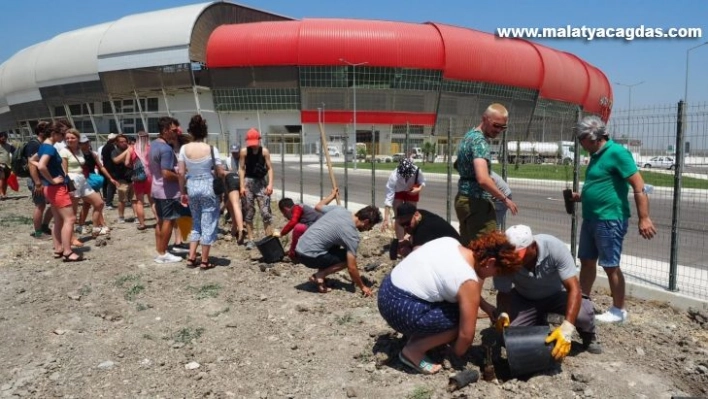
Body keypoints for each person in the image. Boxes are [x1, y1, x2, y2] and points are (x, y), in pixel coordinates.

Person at [377, 232, 522, 374]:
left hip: (387, 290)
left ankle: (421, 335)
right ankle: (414, 350)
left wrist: (485, 305)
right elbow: (466, 335)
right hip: (400, 310)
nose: (494, 276)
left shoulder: (450, 242)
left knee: (457, 307)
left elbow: (455, 285)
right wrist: (455, 354)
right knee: (459, 320)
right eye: (496, 272)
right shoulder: (467, 281)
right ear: (490, 262)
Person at [571, 116, 656, 323]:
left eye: (581, 139)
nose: (580, 144)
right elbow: (603, 184)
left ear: (592, 137)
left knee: (610, 265)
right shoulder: (596, 155)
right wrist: (582, 197)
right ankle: (583, 302)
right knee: (587, 261)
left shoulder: (617, 153)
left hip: (610, 219)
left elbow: (638, 186)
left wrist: (644, 218)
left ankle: (619, 310)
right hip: (592, 218)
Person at [494, 225, 602, 361]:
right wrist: (503, 313)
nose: (515, 260)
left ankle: (588, 336)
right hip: (525, 298)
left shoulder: (554, 248)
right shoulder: (505, 260)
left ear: (532, 246)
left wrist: (567, 329)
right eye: (512, 256)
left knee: (583, 314)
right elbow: (503, 292)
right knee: (510, 338)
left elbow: (574, 288)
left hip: (556, 295)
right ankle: (539, 322)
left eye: (519, 255)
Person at [295, 188, 382, 296]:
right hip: (308, 256)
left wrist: (331, 196)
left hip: (299, 248)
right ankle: (320, 275)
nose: (369, 229)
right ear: (366, 222)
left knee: (334, 246)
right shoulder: (352, 235)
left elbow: (318, 207)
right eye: (370, 226)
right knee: (346, 258)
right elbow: (351, 267)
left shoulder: (340, 210)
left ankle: (320, 283)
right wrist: (362, 287)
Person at [455, 103, 518, 244]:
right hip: (476, 202)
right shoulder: (480, 142)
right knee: (488, 249)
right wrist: (504, 199)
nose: (499, 130)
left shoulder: (469, 136)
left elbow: (458, 165)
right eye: (496, 125)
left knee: (469, 247)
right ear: (484, 119)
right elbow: (483, 179)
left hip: (463, 199)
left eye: (503, 127)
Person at [31, 121, 84, 262]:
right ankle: (67, 251)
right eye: (63, 134)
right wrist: (53, 179)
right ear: (54, 133)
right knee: (70, 219)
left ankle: (58, 248)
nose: (64, 137)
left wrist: (47, 178)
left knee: (58, 219)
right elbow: (41, 165)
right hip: (56, 188)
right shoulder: (50, 148)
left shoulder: (44, 146)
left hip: (50, 188)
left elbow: (32, 160)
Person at [177, 115, 225, 269]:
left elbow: (180, 172)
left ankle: (191, 257)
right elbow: (219, 171)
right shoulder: (211, 149)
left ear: (190, 132)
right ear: (205, 132)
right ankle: (204, 260)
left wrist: (182, 191)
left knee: (196, 223)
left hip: (192, 186)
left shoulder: (184, 149)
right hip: (208, 186)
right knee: (208, 223)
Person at [59, 130, 108, 238]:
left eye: (72, 138)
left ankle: (95, 227)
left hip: (82, 179)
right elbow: (64, 171)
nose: (69, 140)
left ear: (77, 139)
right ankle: (71, 237)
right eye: (67, 138)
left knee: (99, 203)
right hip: (72, 180)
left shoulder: (79, 151)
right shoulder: (64, 151)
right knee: (73, 211)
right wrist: (68, 186)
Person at [148, 117, 184, 264]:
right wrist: (182, 177)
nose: (177, 133)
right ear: (165, 130)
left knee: (161, 221)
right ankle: (163, 254)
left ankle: (160, 250)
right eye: (174, 130)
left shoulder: (154, 145)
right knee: (169, 221)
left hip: (156, 189)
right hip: (167, 191)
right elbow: (166, 173)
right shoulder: (166, 149)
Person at [239, 128, 274, 250]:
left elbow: (269, 168)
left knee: (265, 211)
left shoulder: (264, 152)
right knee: (248, 211)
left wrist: (270, 184)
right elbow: (242, 168)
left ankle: (269, 238)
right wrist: (242, 185)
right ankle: (251, 239)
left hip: (261, 183)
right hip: (248, 182)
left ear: (259, 140)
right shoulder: (244, 152)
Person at [381, 158, 426, 247]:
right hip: (398, 192)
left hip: (411, 190)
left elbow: (422, 182)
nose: (407, 177)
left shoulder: (417, 171)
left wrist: (418, 189)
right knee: (399, 216)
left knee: (412, 216)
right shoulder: (394, 176)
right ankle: (401, 242)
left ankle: (412, 240)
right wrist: (386, 218)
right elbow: (389, 198)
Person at [77, 134, 115, 236]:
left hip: (92, 180)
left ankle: (81, 225)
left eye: (86, 142)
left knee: (88, 204)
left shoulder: (92, 154)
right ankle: (100, 225)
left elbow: (101, 167)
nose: (85, 144)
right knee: (98, 203)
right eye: (82, 143)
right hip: (84, 181)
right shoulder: (78, 155)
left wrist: (110, 177)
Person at [393, 202, 462, 258]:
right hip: (452, 249)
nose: (405, 227)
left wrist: (407, 252)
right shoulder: (422, 214)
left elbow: (417, 259)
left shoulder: (423, 229)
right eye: (402, 225)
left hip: (457, 256)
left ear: (416, 215)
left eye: (407, 223)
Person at [24, 122, 54, 237]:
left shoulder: (43, 144)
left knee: (53, 203)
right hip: (38, 181)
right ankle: (38, 232)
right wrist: (37, 183)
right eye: (49, 130)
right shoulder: (34, 144)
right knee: (40, 205)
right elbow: (31, 164)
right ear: (42, 132)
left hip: (45, 179)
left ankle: (45, 226)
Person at [130, 131, 156, 231]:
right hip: (151, 177)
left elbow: (127, 162)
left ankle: (142, 224)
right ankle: (158, 220)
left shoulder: (132, 149)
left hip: (139, 177)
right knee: (152, 201)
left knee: (140, 202)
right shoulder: (151, 148)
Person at [111, 134, 135, 223]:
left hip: (133, 177)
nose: (124, 143)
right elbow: (116, 160)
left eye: (125, 141)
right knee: (122, 199)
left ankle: (136, 216)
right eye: (121, 142)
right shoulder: (115, 152)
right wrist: (128, 150)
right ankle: (121, 216)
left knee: (134, 199)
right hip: (121, 179)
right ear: (117, 143)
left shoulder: (132, 150)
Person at [224, 144, 246, 243]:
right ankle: (234, 227)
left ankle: (240, 229)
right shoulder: (228, 160)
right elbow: (224, 171)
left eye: (236, 152)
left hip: (240, 183)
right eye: (233, 152)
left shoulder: (244, 159)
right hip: (232, 181)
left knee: (236, 205)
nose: (235, 153)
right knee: (231, 205)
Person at [101, 133, 118, 209]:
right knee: (111, 186)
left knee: (106, 185)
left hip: (106, 168)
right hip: (111, 169)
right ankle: (109, 203)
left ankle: (106, 199)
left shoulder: (104, 147)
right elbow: (115, 157)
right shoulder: (111, 147)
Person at [0, 131, 16, 199]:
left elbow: (15, 152)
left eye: (5, 139)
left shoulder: (9, 146)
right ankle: (1, 194)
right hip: (1, 164)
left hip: (8, 165)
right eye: (2, 139)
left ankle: (4, 193)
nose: (4, 140)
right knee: (1, 178)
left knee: (6, 180)